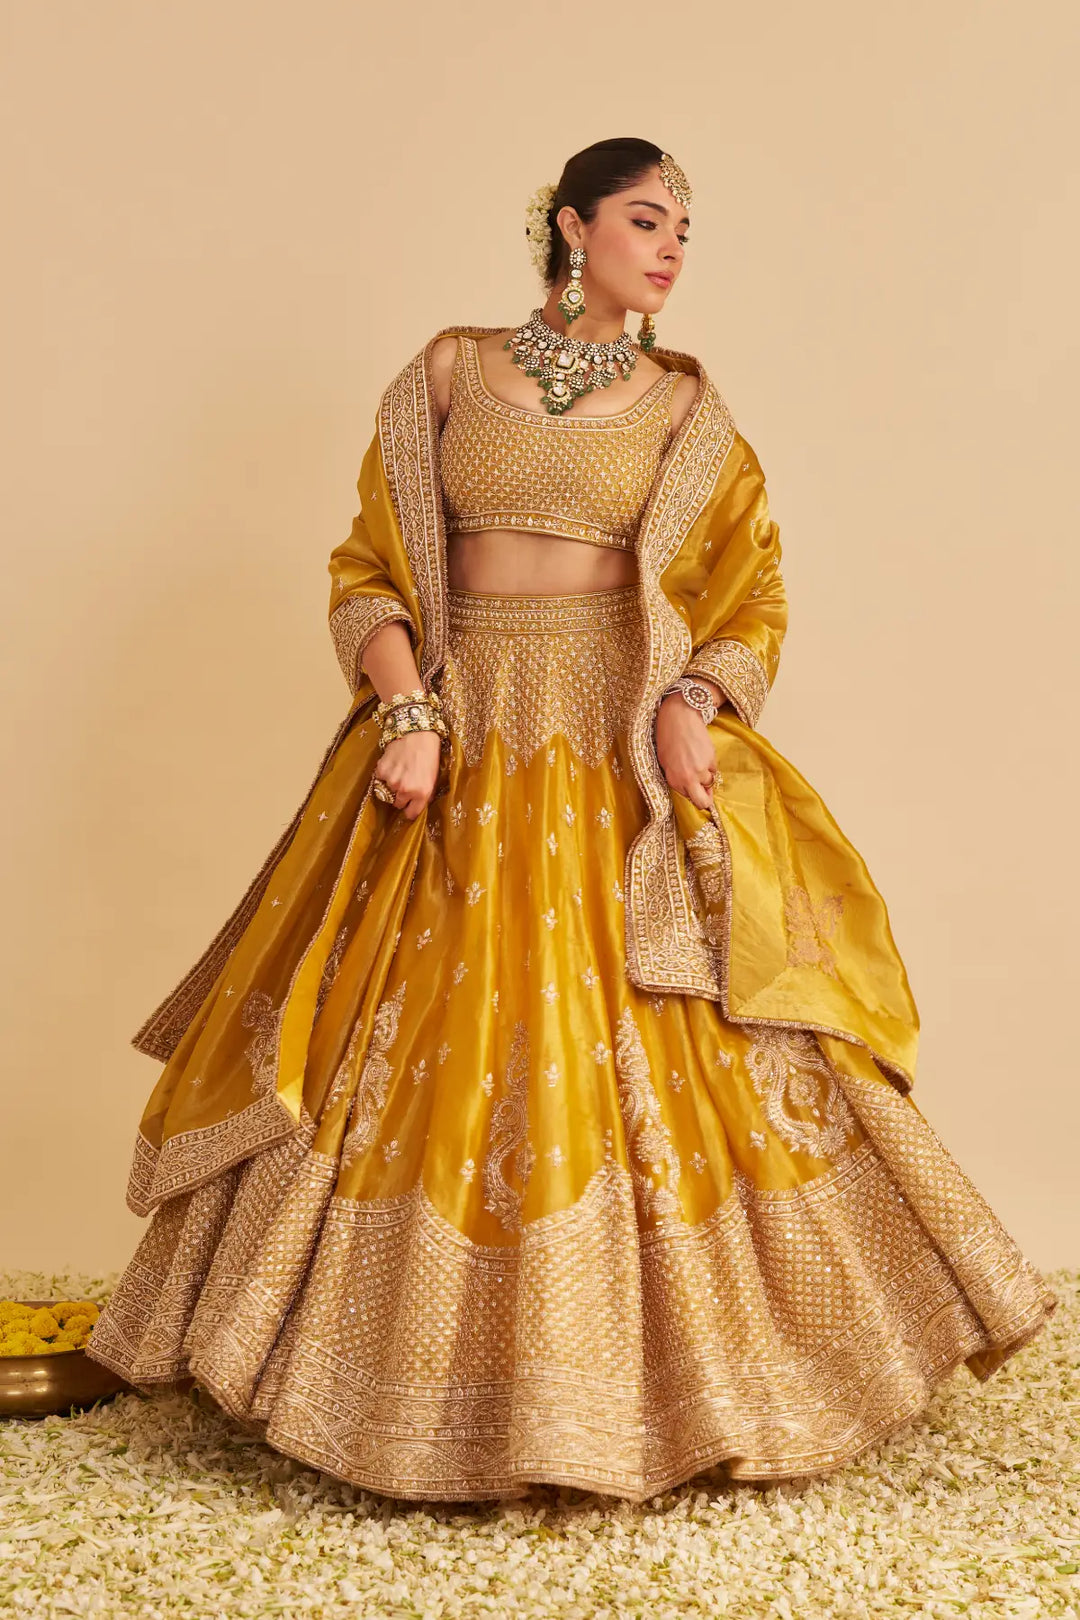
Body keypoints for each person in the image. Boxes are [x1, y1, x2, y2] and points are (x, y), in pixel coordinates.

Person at [87, 138, 1056, 1504]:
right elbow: (367, 573)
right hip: (459, 723)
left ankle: (667, 1390)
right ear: (571, 226)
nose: (669, 248)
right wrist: (407, 714)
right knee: (405, 1024)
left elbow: (749, 595)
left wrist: (694, 701)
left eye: (684, 229)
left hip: (612, 740)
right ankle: (386, 1390)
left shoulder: (685, 413)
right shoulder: (445, 375)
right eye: (645, 219)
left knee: (652, 1032)